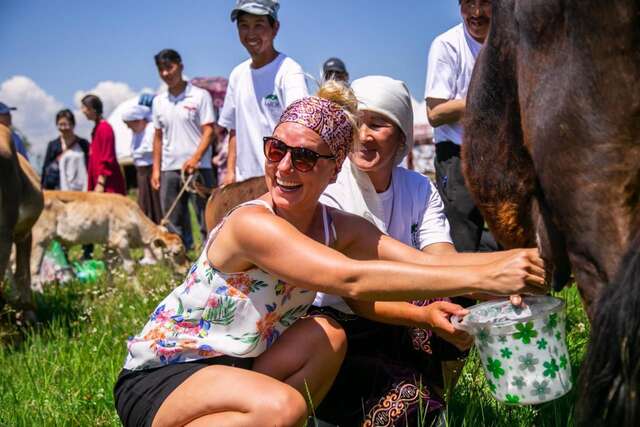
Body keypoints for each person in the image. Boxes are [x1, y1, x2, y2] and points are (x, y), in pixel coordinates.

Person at [114, 81, 547, 427]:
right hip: (169, 375)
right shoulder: (253, 224)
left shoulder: (335, 226)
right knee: (282, 407)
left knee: (328, 337)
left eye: (304, 158)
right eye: (276, 149)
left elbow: (429, 263)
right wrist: (488, 277)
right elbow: (349, 279)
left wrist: (517, 264)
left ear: (333, 168)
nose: (283, 167)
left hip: (238, 366)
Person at [313, 75, 514, 425]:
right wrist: (424, 313)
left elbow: (442, 262)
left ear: (402, 137)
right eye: (358, 123)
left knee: (458, 304)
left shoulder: (419, 187)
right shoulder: (332, 190)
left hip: (393, 312)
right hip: (342, 322)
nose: (364, 135)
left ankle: (435, 394)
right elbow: (355, 293)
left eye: (378, 124)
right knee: (403, 405)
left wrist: (499, 284)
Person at [425, 0, 492, 252]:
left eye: (484, 3)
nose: (475, 13)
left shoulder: (511, 42)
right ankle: (459, 291)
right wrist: (486, 99)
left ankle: (516, 292)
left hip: (502, 155)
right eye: (468, 3)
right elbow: (434, 113)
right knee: (462, 241)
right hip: (458, 154)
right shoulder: (447, 45)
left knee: (515, 238)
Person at [219, 0, 308, 185]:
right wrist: (230, 172)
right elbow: (233, 129)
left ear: (275, 28)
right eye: (244, 25)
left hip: (280, 180)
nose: (251, 33)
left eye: (259, 25)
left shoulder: (289, 71)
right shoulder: (237, 74)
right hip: (244, 182)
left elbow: (300, 129)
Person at [150, 49, 216, 251]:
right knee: (172, 218)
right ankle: (180, 259)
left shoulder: (199, 95)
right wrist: (155, 169)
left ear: (180, 66)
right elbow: (158, 137)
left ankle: (210, 258)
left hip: (199, 168)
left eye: (169, 68)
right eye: (161, 69)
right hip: (170, 168)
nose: (166, 73)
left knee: (207, 217)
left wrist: (195, 158)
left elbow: (209, 130)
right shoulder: (158, 101)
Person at [121, 104, 162, 225]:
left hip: (151, 170)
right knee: (145, 202)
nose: (129, 128)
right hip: (142, 172)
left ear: (138, 121)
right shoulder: (136, 133)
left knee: (155, 202)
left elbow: (151, 149)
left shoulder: (150, 129)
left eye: (130, 124)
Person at [81, 94, 126, 195]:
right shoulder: (96, 129)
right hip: (98, 181)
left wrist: (101, 182)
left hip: (107, 184)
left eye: (85, 107)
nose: (83, 111)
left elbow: (107, 158)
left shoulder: (105, 128)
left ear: (93, 109)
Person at [41, 109, 89, 191]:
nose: (63, 128)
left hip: (81, 189)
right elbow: (46, 168)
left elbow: (89, 165)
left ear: (73, 124)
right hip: (58, 189)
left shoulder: (83, 144)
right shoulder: (53, 145)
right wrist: (43, 187)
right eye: (60, 124)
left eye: (66, 124)